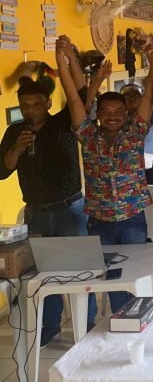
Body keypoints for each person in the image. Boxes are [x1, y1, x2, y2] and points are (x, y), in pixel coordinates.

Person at [0, 39, 103, 345]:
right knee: (45, 273)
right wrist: (16, 150)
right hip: (36, 212)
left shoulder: (62, 123)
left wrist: (68, 58)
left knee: (80, 271)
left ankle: (87, 323)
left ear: (47, 103)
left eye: (36, 104)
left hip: (70, 208)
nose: (30, 109)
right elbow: (2, 170)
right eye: (25, 105)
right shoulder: (15, 132)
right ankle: (49, 326)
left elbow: (81, 95)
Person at [59, 37, 153, 313]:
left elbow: (149, 94)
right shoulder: (88, 136)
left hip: (132, 219)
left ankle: (139, 317)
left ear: (127, 113)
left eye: (118, 111)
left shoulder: (136, 133)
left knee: (136, 274)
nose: (112, 116)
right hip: (100, 221)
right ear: (98, 115)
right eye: (106, 112)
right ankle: (121, 318)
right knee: (111, 278)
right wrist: (62, 61)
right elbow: (72, 96)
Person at [120, 83, 153, 186]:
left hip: (149, 165)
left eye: (136, 95)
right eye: (127, 96)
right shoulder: (118, 118)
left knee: (151, 194)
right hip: (126, 166)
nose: (132, 98)